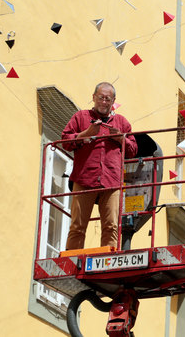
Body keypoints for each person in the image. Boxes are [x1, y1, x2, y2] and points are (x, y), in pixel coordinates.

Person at [62, 82, 138, 250]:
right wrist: (86, 134)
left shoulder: (122, 122)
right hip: (84, 178)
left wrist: (120, 138)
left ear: (113, 101)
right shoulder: (80, 117)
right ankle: (73, 259)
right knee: (77, 225)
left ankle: (108, 259)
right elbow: (65, 141)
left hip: (111, 180)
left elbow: (133, 150)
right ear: (94, 97)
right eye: (101, 98)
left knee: (111, 225)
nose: (104, 102)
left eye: (108, 99)